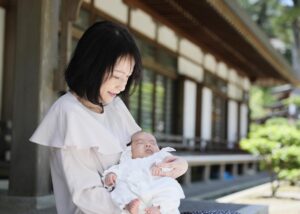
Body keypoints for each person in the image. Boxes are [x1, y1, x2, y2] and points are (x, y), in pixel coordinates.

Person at [29, 21, 188, 214]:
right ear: (91, 66)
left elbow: (144, 152)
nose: (122, 86)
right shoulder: (68, 113)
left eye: (127, 77)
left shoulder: (114, 105)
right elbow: (86, 195)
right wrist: (134, 208)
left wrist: (177, 163)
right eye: (116, 76)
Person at [103, 131, 185, 214]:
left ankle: (159, 208)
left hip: (156, 187)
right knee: (120, 187)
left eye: (152, 143)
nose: (148, 145)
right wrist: (111, 175)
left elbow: (171, 167)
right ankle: (129, 204)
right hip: (134, 191)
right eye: (140, 142)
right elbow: (116, 169)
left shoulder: (160, 157)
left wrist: (161, 167)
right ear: (130, 150)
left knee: (171, 185)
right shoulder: (127, 162)